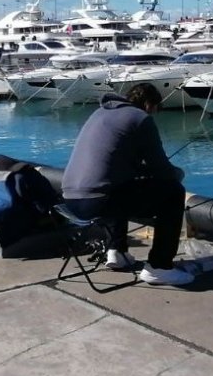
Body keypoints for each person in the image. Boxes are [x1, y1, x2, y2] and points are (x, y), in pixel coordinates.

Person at [61, 83, 194, 287]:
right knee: (173, 192)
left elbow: (111, 163)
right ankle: (159, 267)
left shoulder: (98, 114)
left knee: (121, 186)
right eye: (157, 108)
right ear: (149, 104)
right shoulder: (140, 118)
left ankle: (116, 251)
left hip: (70, 201)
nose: (156, 114)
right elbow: (162, 169)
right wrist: (177, 174)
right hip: (98, 202)